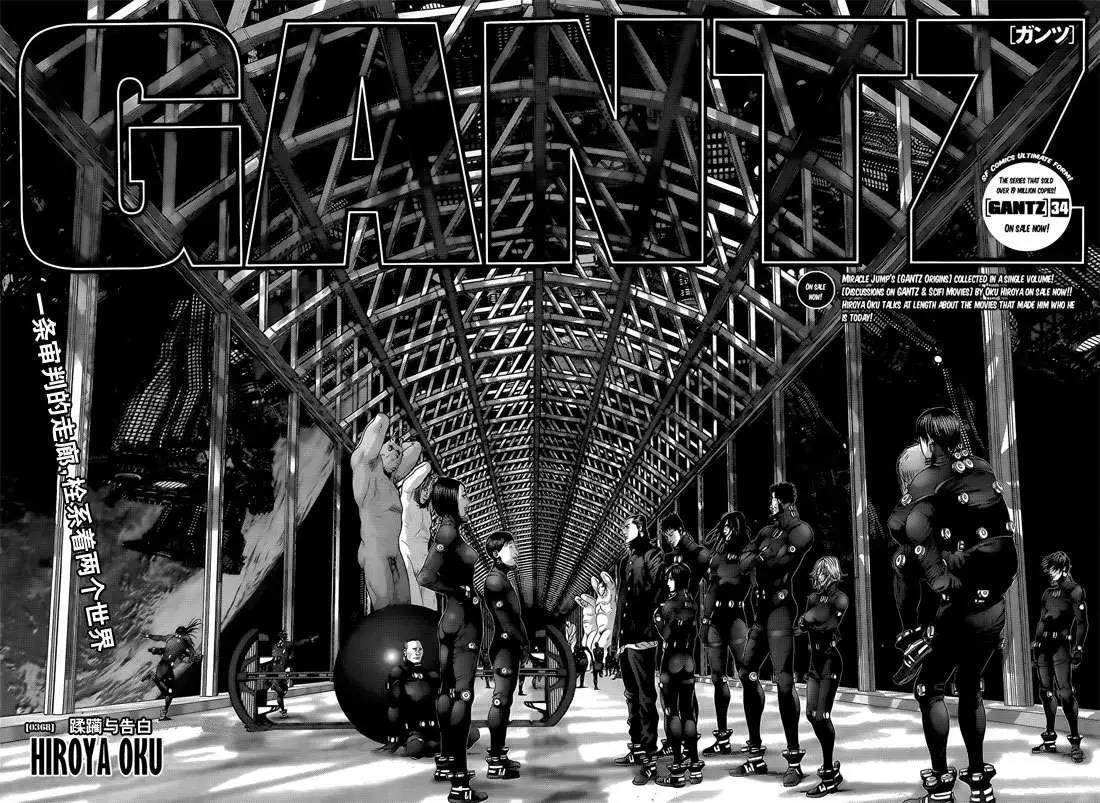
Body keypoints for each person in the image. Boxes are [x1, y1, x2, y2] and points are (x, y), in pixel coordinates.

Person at [897, 408, 1018, 803]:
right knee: (971, 688)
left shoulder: (927, 478)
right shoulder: (982, 467)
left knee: (929, 687)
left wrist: (935, 572)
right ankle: (980, 781)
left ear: (929, 442)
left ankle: (939, 784)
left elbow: (905, 528)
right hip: (994, 605)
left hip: (958, 605)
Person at [732, 482, 814, 787]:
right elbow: (743, 561)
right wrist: (760, 555)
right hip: (761, 611)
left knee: (783, 680)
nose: (769, 504)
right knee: (747, 672)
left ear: (783, 502)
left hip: (780, 610)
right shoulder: (767, 531)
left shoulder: (800, 529)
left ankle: (793, 759)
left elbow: (781, 560)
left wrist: (760, 556)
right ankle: (755, 754)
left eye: (773, 499)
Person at [416, 477, 485, 803]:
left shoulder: (449, 530)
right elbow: (425, 576)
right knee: (463, 697)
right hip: (463, 624)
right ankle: (460, 784)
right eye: (464, 495)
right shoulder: (447, 532)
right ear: (449, 498)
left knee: (446, 693)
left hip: (449, 623)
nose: (469, 500)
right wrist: (460, 591)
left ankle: (445, 762)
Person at [611, 514, 665, 785]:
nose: (624, 530)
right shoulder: (625, 561)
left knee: (645, 698)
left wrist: (648, 623)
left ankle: (650, 759)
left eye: (628, 526)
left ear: (641, 529)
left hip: (643, 636)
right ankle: (636, 748)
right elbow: (621, 599)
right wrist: (616, 638)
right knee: (631, 696)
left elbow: (658, 592)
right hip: (626, 638)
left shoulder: (654, 555)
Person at [352, 413, 424, 611]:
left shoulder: (391, 483)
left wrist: (398, 443)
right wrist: (389, 431)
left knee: (404, 607)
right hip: (375, 550)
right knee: (383, 606)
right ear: (378, 451)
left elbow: (416, 448)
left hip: (394, 551)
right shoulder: (366, 472)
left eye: (399, 453)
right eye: (390, 450)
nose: (396, 455)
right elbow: (381, 422)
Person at [700, 511, 753, 757]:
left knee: (747, 675)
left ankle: (754, 739)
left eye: (730, 526)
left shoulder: (746, 554)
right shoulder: (717, 555)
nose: (725, 530)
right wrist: (704, 620)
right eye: (724, 526)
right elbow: (711, 589)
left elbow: (750, 583)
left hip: (736, 619)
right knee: (717, 678)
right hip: (716, 620)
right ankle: (722, 738)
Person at [796, 557, 849, 797]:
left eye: (820, 572)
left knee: (822, 715)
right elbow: (804, 622)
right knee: (811, 714)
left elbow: (828, 623)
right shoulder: (813, 597)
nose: (815, 577)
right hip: (814, 662)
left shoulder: (840, 597)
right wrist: (808, 620)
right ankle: (830, 769)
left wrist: (809, 620)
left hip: (829, 660)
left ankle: (828, 772)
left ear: (829, 573)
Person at [1031, 551, 1088, 764]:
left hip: (1061, 647)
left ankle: (1075, 742)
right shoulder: (1047, 593)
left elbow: (1082, 622)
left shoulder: (1075, 590)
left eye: (1053, 569)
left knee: (1065, 693)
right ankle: (1049, 738)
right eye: (1049, 569)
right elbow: (1041, 620)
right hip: (1043, 647)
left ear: (1064, 568)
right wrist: (1036, 644)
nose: (1050, 573)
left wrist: (1078, 648)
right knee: (1045, 692)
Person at [652, 563, 704, 787]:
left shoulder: (667, 605)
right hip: (688, 660)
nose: (667, 582)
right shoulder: (692, 604)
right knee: (689, 712)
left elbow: (666, 634)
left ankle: (676, 770)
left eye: (670, 578)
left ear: (676, 579)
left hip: (671, 659)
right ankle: (695, 765)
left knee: (671, 712)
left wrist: (658, 620)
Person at [483, 530, 529, 780]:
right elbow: (507, 622)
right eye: (510, 547)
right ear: (495, 553)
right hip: (503, 649)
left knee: (505, 701)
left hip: (509, 648)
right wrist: (523, 643)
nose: (516, 552)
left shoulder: (503, 579)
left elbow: (515, 619)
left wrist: (522, 644)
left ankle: (500, 755)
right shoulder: (494, 581)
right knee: (500, 701)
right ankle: (495, 763)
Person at [381, 639, 440, 758]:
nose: (417, 652)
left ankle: (434, 745)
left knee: (472, 734)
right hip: (413, 730)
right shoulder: (399, 673)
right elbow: (393, 706)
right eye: (414, 649)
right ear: (405, 652)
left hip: (434, 728)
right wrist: (393, 739)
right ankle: (429, 746)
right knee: (416, 748)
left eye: (420, 649)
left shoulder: (431, 674)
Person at [141, 619, 201, 721]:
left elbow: (159, 637)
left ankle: (163, 714)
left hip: (162, 665)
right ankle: (153, 677)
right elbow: (192, 655)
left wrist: (148, 636)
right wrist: (195, 658)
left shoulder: (170, 637)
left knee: (168, 693)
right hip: (167, 667)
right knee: (169, 693)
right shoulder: (186, 641)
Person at [267, 630, 320, 718]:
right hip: (275, 672)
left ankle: (282, 708)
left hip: (279, 672)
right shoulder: (278, 646)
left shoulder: (283, 645)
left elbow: (297, 644)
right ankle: (282, 708)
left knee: (281, 692)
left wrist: (309, 640)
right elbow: (298, 644)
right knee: (280, 692)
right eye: (284, 636)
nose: (284, 638)